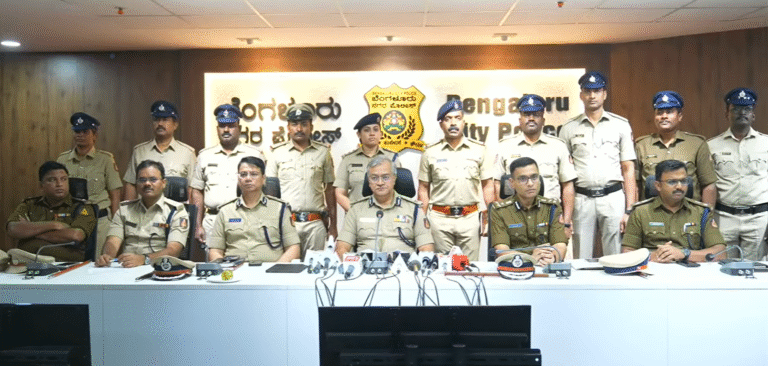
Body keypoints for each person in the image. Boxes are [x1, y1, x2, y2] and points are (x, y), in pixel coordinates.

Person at [558, 71, 638, 258]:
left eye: (597, 91)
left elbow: (628, 169)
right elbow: (564, 175)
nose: (592, 96)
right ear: (581, 95)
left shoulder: (620, 125)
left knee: (616, 256)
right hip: (582, 198)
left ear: (605, 94)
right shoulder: (568, 128)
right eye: (587, 91)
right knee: (581, 256)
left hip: (613, 197)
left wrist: (629, 209)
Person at [418, 100, 494, 261]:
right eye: (447, 119)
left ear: (463, 122)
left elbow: (487, 185)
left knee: (470, 268)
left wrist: (490, 217)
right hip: (439, 219)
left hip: (470, 218)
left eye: (457, 118)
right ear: (441, 125)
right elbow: (423, 188)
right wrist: (423, 218)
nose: (453, 123)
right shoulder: (430, 152)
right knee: (442, 268)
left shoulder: (479, 150)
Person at [495, 94, 577, 236]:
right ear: (520, 119)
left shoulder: (558, 146)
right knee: (518, 258)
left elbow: (568, 186)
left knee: (556, 256)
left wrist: (567, 221)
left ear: (543, 120)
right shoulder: (505, 147)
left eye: (536, 114)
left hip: (552, 218)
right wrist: (505, 218)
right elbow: (497, 185)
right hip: (516, 220)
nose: (531, 118)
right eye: (526, 114)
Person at [267, 103, 336, 257]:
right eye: (295, 124)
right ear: (288, 127)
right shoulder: (276, 153)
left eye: (304, 124)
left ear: (311, 126)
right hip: (287, 224)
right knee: (287, 272)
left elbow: (330, 190)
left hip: (315, 224)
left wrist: (333, 226)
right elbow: (271, 194)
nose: (299, 129)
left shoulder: (323, 152)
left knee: (314, 272)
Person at [622, 159, 725, 263]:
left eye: (684, 181)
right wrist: (651, 256)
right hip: (653, 269)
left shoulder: (700, 212)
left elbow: (721, 253)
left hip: (690, 271)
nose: (679, 186)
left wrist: (684, 254)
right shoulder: (640, 212)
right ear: (658, 185)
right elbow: (627, 252)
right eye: (672, 182)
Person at [190, 104, 264, 246]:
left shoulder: (254, 154)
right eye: (222, 126)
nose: (226, 130)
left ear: (239, 128)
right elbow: (197, 191)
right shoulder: (205, 156)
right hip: (213, 221)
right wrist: (197, 225)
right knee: (213, 264)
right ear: (217, 129)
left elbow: (263, 190)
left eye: (231, 125)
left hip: (245, 219)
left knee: (244, 262)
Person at [708, 88, 768, 260]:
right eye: (736, 109)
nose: (742, 113)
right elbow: (708, 184)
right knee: (723, 269)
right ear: (727, 113)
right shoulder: (712, 146)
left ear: (753, 115)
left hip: (758, 218)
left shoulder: (766, 144)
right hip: (724, 218)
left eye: (747, 109)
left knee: (755, 272)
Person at [96, 160, 189, 268]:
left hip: (159, 268)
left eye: (153, 179)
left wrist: (145, 259)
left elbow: (174, 250)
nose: (147, 184)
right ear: (136, 184)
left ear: (164, 183)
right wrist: (107, 256)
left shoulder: (177, 212)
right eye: (142, 180)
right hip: (126, 267)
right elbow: (113, 240)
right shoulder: (124, 210)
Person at [208, 157, 300, 263]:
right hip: (233, 272)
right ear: (238, 179)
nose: (248, 178)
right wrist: (225, 270)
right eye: (243, 174)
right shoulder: (225, 211)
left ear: (263, 178)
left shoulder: (280, 209)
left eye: (254, 174)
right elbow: (215, 250)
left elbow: (293, 248)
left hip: (270, 272)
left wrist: (276, 271)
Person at [336, 157, 434, 257]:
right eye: (374, 178)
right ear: (368, 181)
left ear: (394, 178)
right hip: (364, 268)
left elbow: (426, 248)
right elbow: (342, 247)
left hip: (405, 268)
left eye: (385, 177)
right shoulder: (356, 210)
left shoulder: (414, 210)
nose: (380, 183)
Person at [56, 112, 122, 259]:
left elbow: (115, 194)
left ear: (94, 135)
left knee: (100, 263)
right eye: (77, 131)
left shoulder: (105, 159)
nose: (80, 135)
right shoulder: (63, 159)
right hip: (73, 220)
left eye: (85, 132)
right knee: (72, 262)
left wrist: (116, 224)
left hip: (100, 221)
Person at [635, 91, 716, 206]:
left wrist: (707, 216)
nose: (664, 116)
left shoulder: (696, 144)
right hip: (651, 215)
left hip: (688, 213)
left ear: (679, 116)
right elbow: (635, 185)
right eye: (659, 112)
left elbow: (708, 184)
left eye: (669, 112)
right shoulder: (642, 145)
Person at [6, 162, 96, 261]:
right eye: (52, 180)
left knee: (34, 246)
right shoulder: (29, 205)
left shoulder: (84, 208)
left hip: (67, 261)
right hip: (29, 265)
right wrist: (54, 225)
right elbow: (13, 229)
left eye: (63, 179)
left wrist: (32, 232)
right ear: (41, 186)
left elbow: (75, 235)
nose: (59, 184)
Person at [490, 158, 567, 266]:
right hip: (515, 268)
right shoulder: (500, 210)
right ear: (512, 183)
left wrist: (553, 258)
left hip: (546, 266)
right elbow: (501, 251)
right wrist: (530, 259)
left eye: (534, 177)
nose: (530, 183)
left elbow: (560, 245)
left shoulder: (552, 207)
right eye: (523, 179)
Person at [123, 100, 196, 201]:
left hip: (176, 213)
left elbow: (192, 189)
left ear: (175, 124)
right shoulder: (139, 151)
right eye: (156, 119)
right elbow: (131, 185)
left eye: (165, 119)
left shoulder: (187, 153)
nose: (160, 123)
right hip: (145, 213)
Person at [334, 113, 400, 212]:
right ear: (359, 134)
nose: (372, 133)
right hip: (356, 219)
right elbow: (339, 193)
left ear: (381, 134)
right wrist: (355, 213)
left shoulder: (392, 158)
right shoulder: (348, 160)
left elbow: (400, 192)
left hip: (385, 216)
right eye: (367, 130)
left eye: (375, 129)